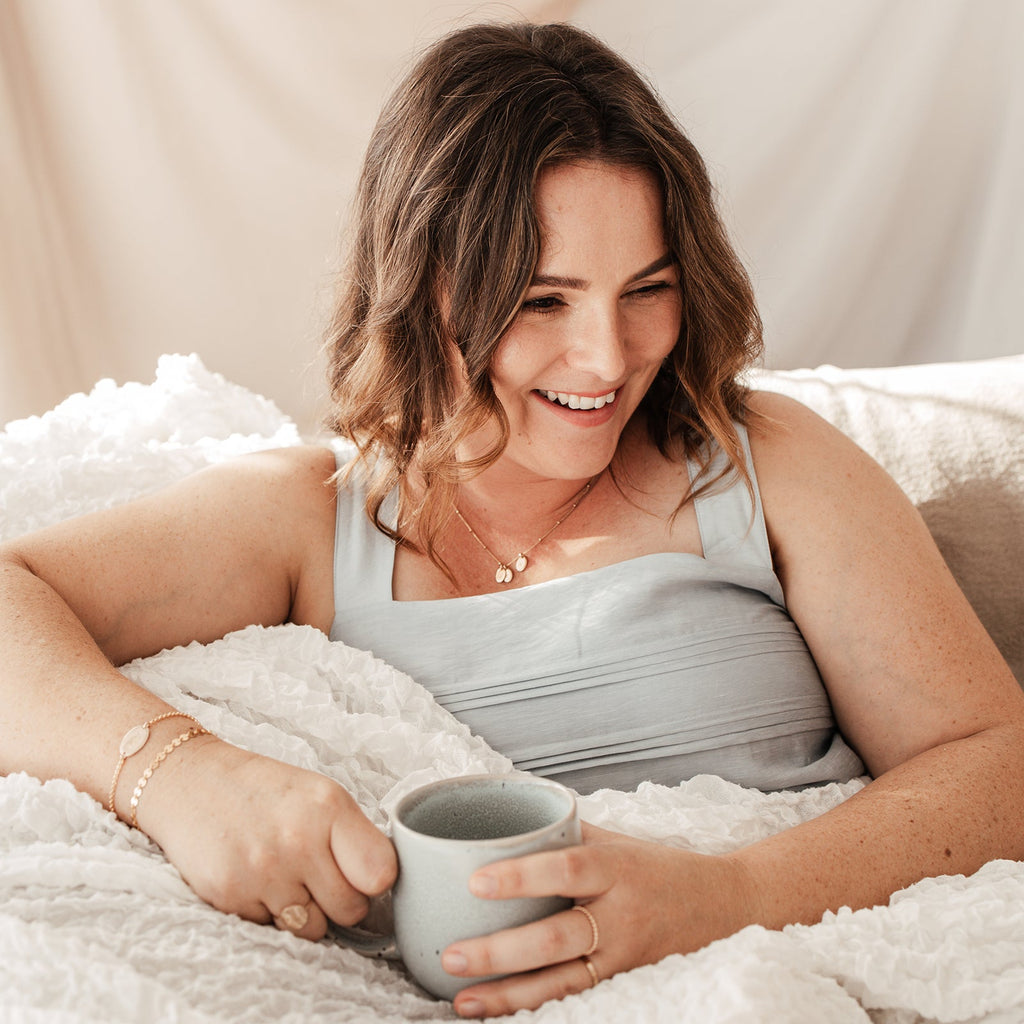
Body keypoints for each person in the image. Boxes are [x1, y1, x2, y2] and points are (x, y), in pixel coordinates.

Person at [2, 21, 1023, 1020]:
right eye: (543, 300)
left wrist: (732, 896)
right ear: (421, 287)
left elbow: (997, 758)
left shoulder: (765, 466)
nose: (608, 357)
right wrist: (186, 778)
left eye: (648, 289)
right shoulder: (312, 517)